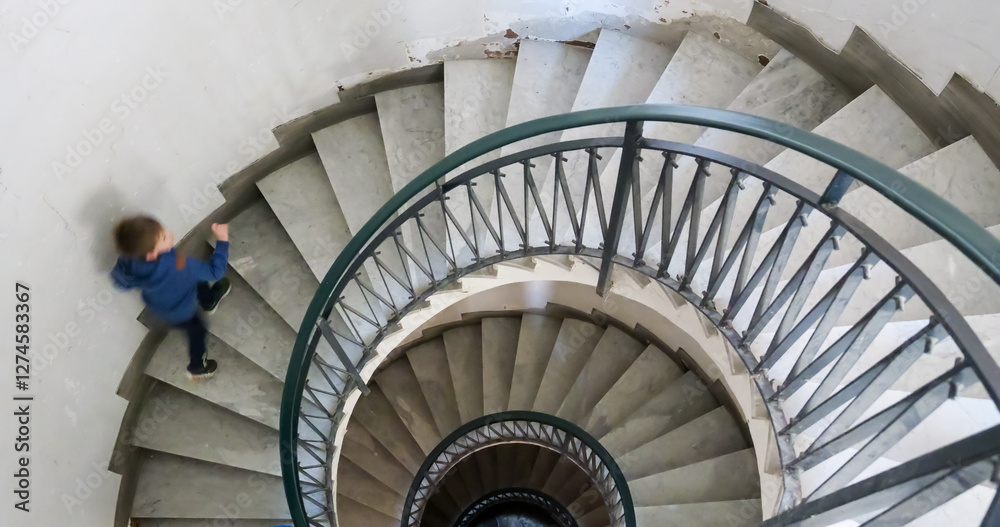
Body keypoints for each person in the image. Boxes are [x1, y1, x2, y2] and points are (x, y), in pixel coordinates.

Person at [110, 216, 231, 379]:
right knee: (197, 333)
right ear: (152, 254)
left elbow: (120, 282)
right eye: (164, 236)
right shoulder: (178, 263)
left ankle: (209, 301)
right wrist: (222, 240)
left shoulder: (128, 260)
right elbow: (215, 272)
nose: (170, 232)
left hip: (159, 305)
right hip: (182, 312)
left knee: (194, 278)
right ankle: (198, 366)